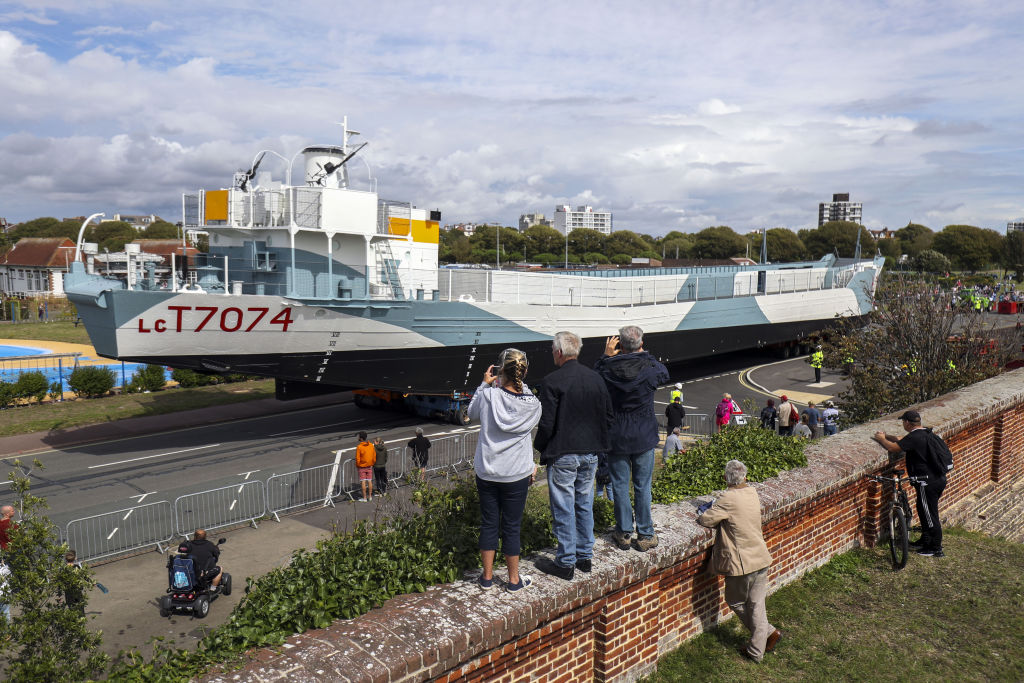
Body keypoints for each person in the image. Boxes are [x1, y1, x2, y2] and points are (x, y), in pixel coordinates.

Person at [533, 332, 613, 581]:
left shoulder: (551, 381)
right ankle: (584, 556)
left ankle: (566, 561)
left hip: (564, 452)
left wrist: (540, 447)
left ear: (558, 352)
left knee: (564, 507)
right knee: (584, 503)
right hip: (591, 453)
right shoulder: (596, 379)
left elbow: (546, 424)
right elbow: (608, 417)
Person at [468, 348, 541, 592]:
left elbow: (471, 413)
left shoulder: (489, 396)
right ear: (524, 372)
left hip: (488, 471)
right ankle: (513, 580)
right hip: (516, 474)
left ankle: (486, 578)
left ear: (500, 371)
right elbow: (525, 396)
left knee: (489, 523)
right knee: (511, 526)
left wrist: (485, 384)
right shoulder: (533, 405)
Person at [697, 460, 782, 663]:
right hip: (760, 556)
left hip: (742, 563)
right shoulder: (752, 492)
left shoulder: (728, 497)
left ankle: (758, 647)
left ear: (726, 478)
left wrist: (706, 510)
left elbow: (706, 519)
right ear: (745, 476)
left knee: (735, 601)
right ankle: (766, 636)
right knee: (756, 604)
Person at [594, 325, 669, 552]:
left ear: (621, 346)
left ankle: (624, 531)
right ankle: (645, 533)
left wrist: (606, 356)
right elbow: (664, 372)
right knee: (642, 485)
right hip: (643, 433)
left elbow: (594, 378)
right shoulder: (649, 367)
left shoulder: (607, 369)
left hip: (617, 434)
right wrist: (644, 353)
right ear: (641, 344)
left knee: (619, 484)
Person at [872, 410, 949, 558]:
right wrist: (886, 436)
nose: (903, 424)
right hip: (936, 479)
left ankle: (935, 548)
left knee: (929, 515)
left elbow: (893, 448)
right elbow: (901, 439)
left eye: (903, 422)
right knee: (923, 510)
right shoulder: (924, 433)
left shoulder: (915, 437)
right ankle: (925, 541)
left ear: (907, 423)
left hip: (928, 482)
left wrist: (881, 440)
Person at [355, 432, 376, 502]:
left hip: (362, 467)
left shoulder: (359, 447)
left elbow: (357, 458)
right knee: (370, 481)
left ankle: (364, 498)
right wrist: (372, 463)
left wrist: (358, 465)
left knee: (363, 482)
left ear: (361, 438)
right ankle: (370, 496)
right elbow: (374, 456)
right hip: (369, 466)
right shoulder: (371, 445)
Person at [64, 549, 85, 614]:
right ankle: (81, 619)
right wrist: (92, 582)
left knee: (71, 607)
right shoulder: (77, 567)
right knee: (80, 607)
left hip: (68, 592)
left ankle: (73, 621)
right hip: (77, 590)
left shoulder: (63, 569)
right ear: (75, 558)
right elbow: (84, 577)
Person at [0, 558, 10, 623]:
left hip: (4, 596)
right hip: (4, 595)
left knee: (5, 617)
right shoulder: (7, 568)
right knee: (5, 617)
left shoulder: (6, 568)